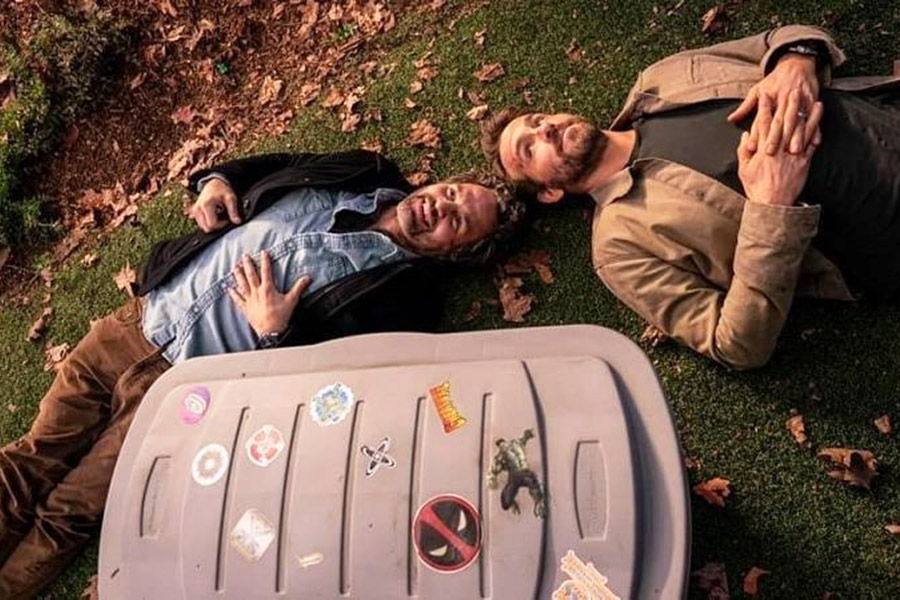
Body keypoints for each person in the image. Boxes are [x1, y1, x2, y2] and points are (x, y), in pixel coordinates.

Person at [0, 148, 525, 599]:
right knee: (30, 457)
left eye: (458, 221)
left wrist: (276, 332)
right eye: (453, 192)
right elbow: (280, 166)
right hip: (142, 320)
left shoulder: (409, 303)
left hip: (181, 394)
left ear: (458, 253)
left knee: (68, 510)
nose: (441, 206)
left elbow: (333, 389)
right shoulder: (368, 171)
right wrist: (218, 181)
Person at [481, 24, 900, 370]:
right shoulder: (618, 248)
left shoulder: (659, 81)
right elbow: (735, 346)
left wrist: (796, 62)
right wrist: (771, 208)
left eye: (536, 120)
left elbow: (780, 39)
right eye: (529, 149)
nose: (544, 130)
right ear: (550, 192)